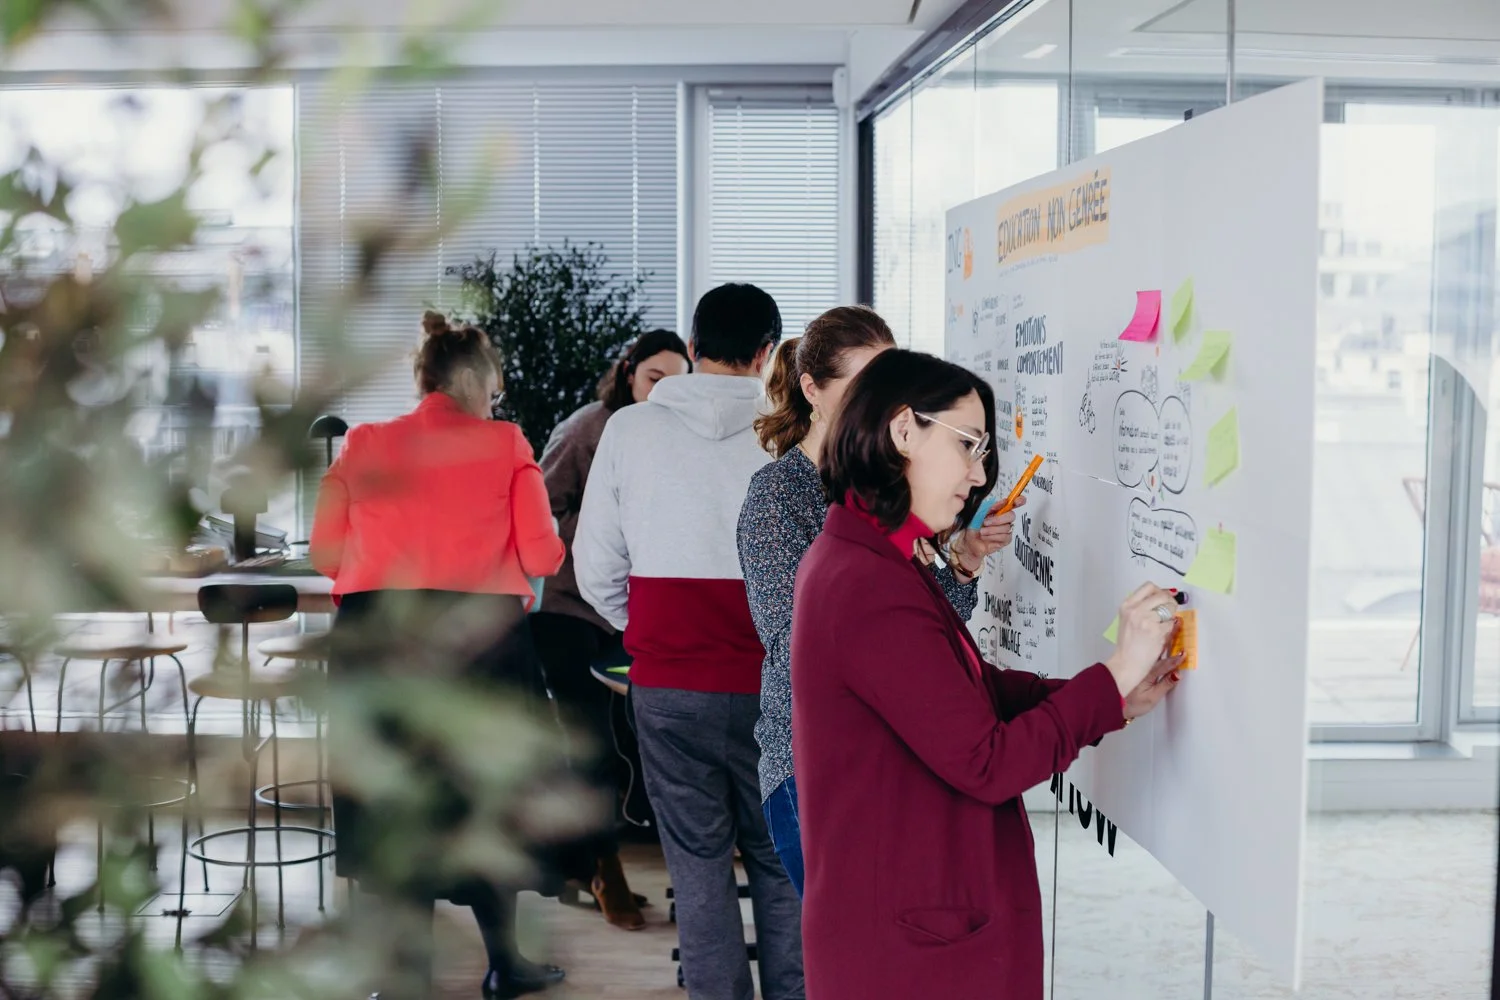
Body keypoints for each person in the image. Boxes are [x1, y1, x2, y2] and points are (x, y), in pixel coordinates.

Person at [792, 348, 1184, 1000]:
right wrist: (1112, 674)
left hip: (907, 919)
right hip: (911, 947)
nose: (978, 476)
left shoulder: (871, 553)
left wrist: (1113, 695)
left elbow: (963, 688)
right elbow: (987, 760)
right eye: (969, 445)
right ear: (902, 429)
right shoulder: (864, 582)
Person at [311, 311, 574, 1000]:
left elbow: (324, 554)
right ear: (480, 383)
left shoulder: (364, 442)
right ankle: (505, 965)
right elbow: (544, 553)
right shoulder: (507, 443)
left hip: (379, 643)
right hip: (479, 642)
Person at [737, 305, 1019, 896]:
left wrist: (962, 559)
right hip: (811, 770)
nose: (887, 402)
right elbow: (800, 646)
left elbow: (929, 623)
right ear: (812, 390)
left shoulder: (884, 490)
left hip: (882, 763)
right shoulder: (778, 495)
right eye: (867, 383)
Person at [574, 284, 803, 1000]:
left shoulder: (631, 430)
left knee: (698, 865)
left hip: (670, 686)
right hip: (775, 683)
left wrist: (648, 634)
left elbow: (596, 568)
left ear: (693, 348)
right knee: (781, 861)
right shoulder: (795, 434)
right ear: (768, 353)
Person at [531, 329, 692, 930]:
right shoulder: (584, 430)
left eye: (677, 380)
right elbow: (540, 511)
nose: (663, 391)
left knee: (633, 741)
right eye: (654, 378)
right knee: (590, 746)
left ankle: (590, 863)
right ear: (628, 373)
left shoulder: (669, 435)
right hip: (568, 609)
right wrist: (600, 535)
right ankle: (604, 872)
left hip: (626, 612)